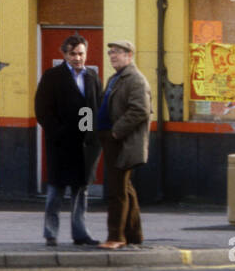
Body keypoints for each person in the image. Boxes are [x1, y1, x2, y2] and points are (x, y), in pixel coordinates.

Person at [34, 34, 102, 246]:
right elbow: (42, 110)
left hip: (84, 146)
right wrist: (58, 132)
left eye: (81, 53)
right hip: (61, 144)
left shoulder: (92, 77)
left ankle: (80, 233)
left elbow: (95, 108)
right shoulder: (52, 76)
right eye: (72, 54)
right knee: (56, 190)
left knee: (80, 192)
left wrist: (91, 136)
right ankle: (51, 233)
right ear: (64, 54)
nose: (77, 58)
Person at [96, 39, 151, 249]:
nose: (112, 56)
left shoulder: (135, 79)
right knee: (125, 188)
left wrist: (116, 132)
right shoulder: (116, 78)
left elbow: (140, 110)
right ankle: (134, 234)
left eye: (117, 52)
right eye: (110, 52)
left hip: (122, 142)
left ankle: (116, 237)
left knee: (116, 190)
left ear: (130, 55)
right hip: (111, 139)